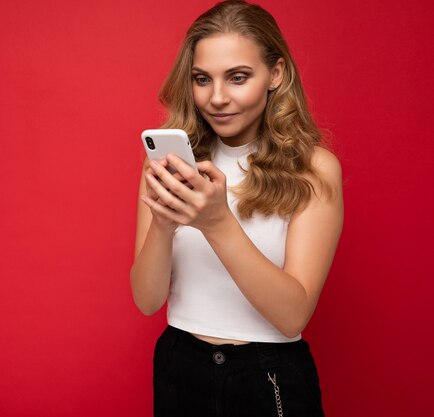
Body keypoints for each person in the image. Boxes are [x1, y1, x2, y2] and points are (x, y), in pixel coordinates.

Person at [130, 1, 343, 416]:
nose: (217, 98)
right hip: (180, 365)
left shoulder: (314, 168)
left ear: (275, 75)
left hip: (268, 375)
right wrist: (161, 225)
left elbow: (292, 316)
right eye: (202, 79)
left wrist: (216, 222)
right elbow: (147, 300)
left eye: (238, 77)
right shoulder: (171, 163)